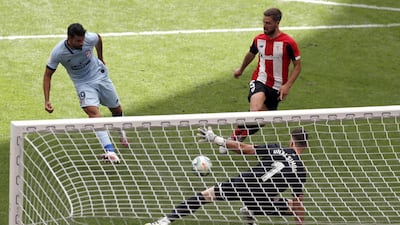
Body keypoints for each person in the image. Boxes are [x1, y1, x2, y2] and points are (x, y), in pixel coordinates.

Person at [146, 126, 308, 225]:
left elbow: (244, 148)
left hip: (245, 183)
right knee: (294, 206)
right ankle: (251, 210)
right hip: (262, 197)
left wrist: (217, 139)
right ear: (304, 146)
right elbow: (298, 204)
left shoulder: (277, 148)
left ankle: (165, 221)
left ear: (291, 142)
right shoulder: (300, 171)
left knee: (205, 196)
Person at [43, 23, 128, 163]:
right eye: (78, 41)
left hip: (100, 76)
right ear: (69, 39)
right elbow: (47, 75)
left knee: (116, 109)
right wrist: (47, 100)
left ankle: (121, 133)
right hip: (83, 84)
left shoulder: (88, 38)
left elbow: (98, 38)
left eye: (82, 40)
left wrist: (100, 57)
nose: (81, 43)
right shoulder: (58, 52)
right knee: (93, 113)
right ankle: (110, 151)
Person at [220, 8, 302, 153]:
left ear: (277, 22)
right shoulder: (259, 39)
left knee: (261, 120)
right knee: (256, 110)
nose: (264, 26)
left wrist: (287, 86)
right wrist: (241, 69)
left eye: (268, 23)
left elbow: (297, 66)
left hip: (277, 87)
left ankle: (237, 135)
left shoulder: (288, 43)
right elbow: (251, 54)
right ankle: (232, 140)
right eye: (264, 22)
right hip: (259, 80)